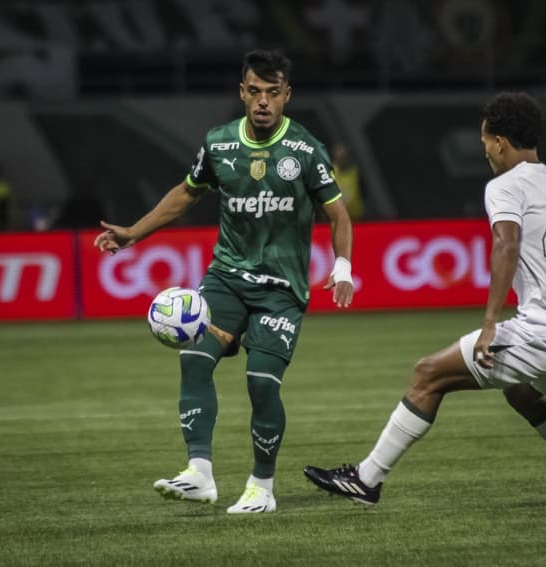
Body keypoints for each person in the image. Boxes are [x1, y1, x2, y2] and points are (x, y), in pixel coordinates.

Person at [304, 92, 546, 507]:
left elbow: (506, 246)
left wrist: (491, 322)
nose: (485, 150)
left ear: (500, 142)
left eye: (485, 141)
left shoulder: (505, 186)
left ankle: (366, 480)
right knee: (522, 393)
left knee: (428, 374)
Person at [94, 49, 355, 514]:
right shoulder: (218, 144)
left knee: (262, 384)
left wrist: (342, 267)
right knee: (195, 356)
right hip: (227, 278)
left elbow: (338, 214)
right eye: (254, 91)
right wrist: (133, 233)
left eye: (273, 93)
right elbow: (185, 194)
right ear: (242, 92)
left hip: (281, 289)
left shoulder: (305, 149)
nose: (262, 102)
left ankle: (262, 486)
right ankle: (200, 474)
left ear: (287, 97)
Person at [331, 142, 365, 220]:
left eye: (343, 156)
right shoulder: (329, 172)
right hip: (336, 218)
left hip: (355, 216)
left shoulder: (356, 172)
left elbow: (364, 192)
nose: (341, 159)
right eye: (339, 156)